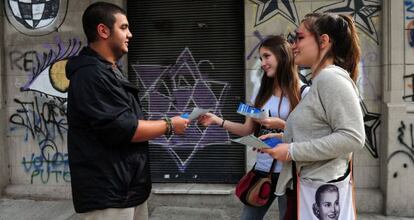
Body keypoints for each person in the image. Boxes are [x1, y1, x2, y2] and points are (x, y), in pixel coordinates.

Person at [65, 2, 189, 219]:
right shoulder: (91, 75)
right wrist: (170, 125)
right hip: (108, 195)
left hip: (128, 189)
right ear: (103, 31)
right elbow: (124, 128)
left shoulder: (108, 71)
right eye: (123, 28)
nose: (130, 34)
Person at [260, 12, 365, 219]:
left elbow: (353, 137)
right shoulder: (320, 82)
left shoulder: (330, 79)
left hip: (315, 194)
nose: (293, 46)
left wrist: (291, 150)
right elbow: (320, 130)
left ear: (323, 41)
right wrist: (283, 139)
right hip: (304, 189)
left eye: (299, 38)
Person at [199, 35, 308, 220]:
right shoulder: (261, 92)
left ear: (282, 56)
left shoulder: (304, 93)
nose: (263, 63)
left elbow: (308, 135)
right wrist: (218, 120)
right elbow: (246, 129)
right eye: (260, 58)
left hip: (290, 174)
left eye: (267, 56)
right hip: (262, 170)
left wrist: (281, 125)